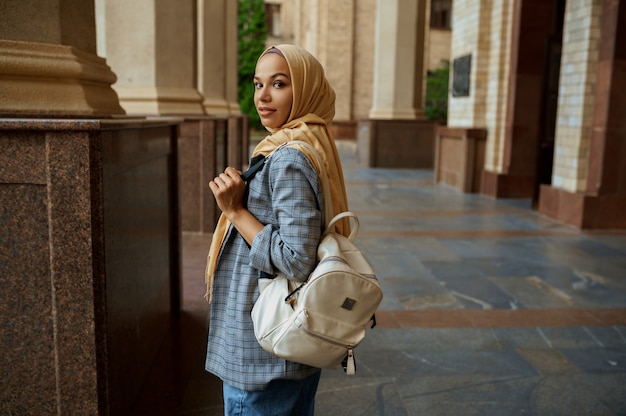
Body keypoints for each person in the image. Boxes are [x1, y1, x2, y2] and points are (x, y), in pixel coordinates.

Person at [203, 44, 351, 415]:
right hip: (285, 348)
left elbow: (297, 259)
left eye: (279, 84)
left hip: (263, 351)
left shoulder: (288, 158)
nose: (263, 96)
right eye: (258, 84)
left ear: (304, 92)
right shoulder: (297, 145)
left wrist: (235, 211)